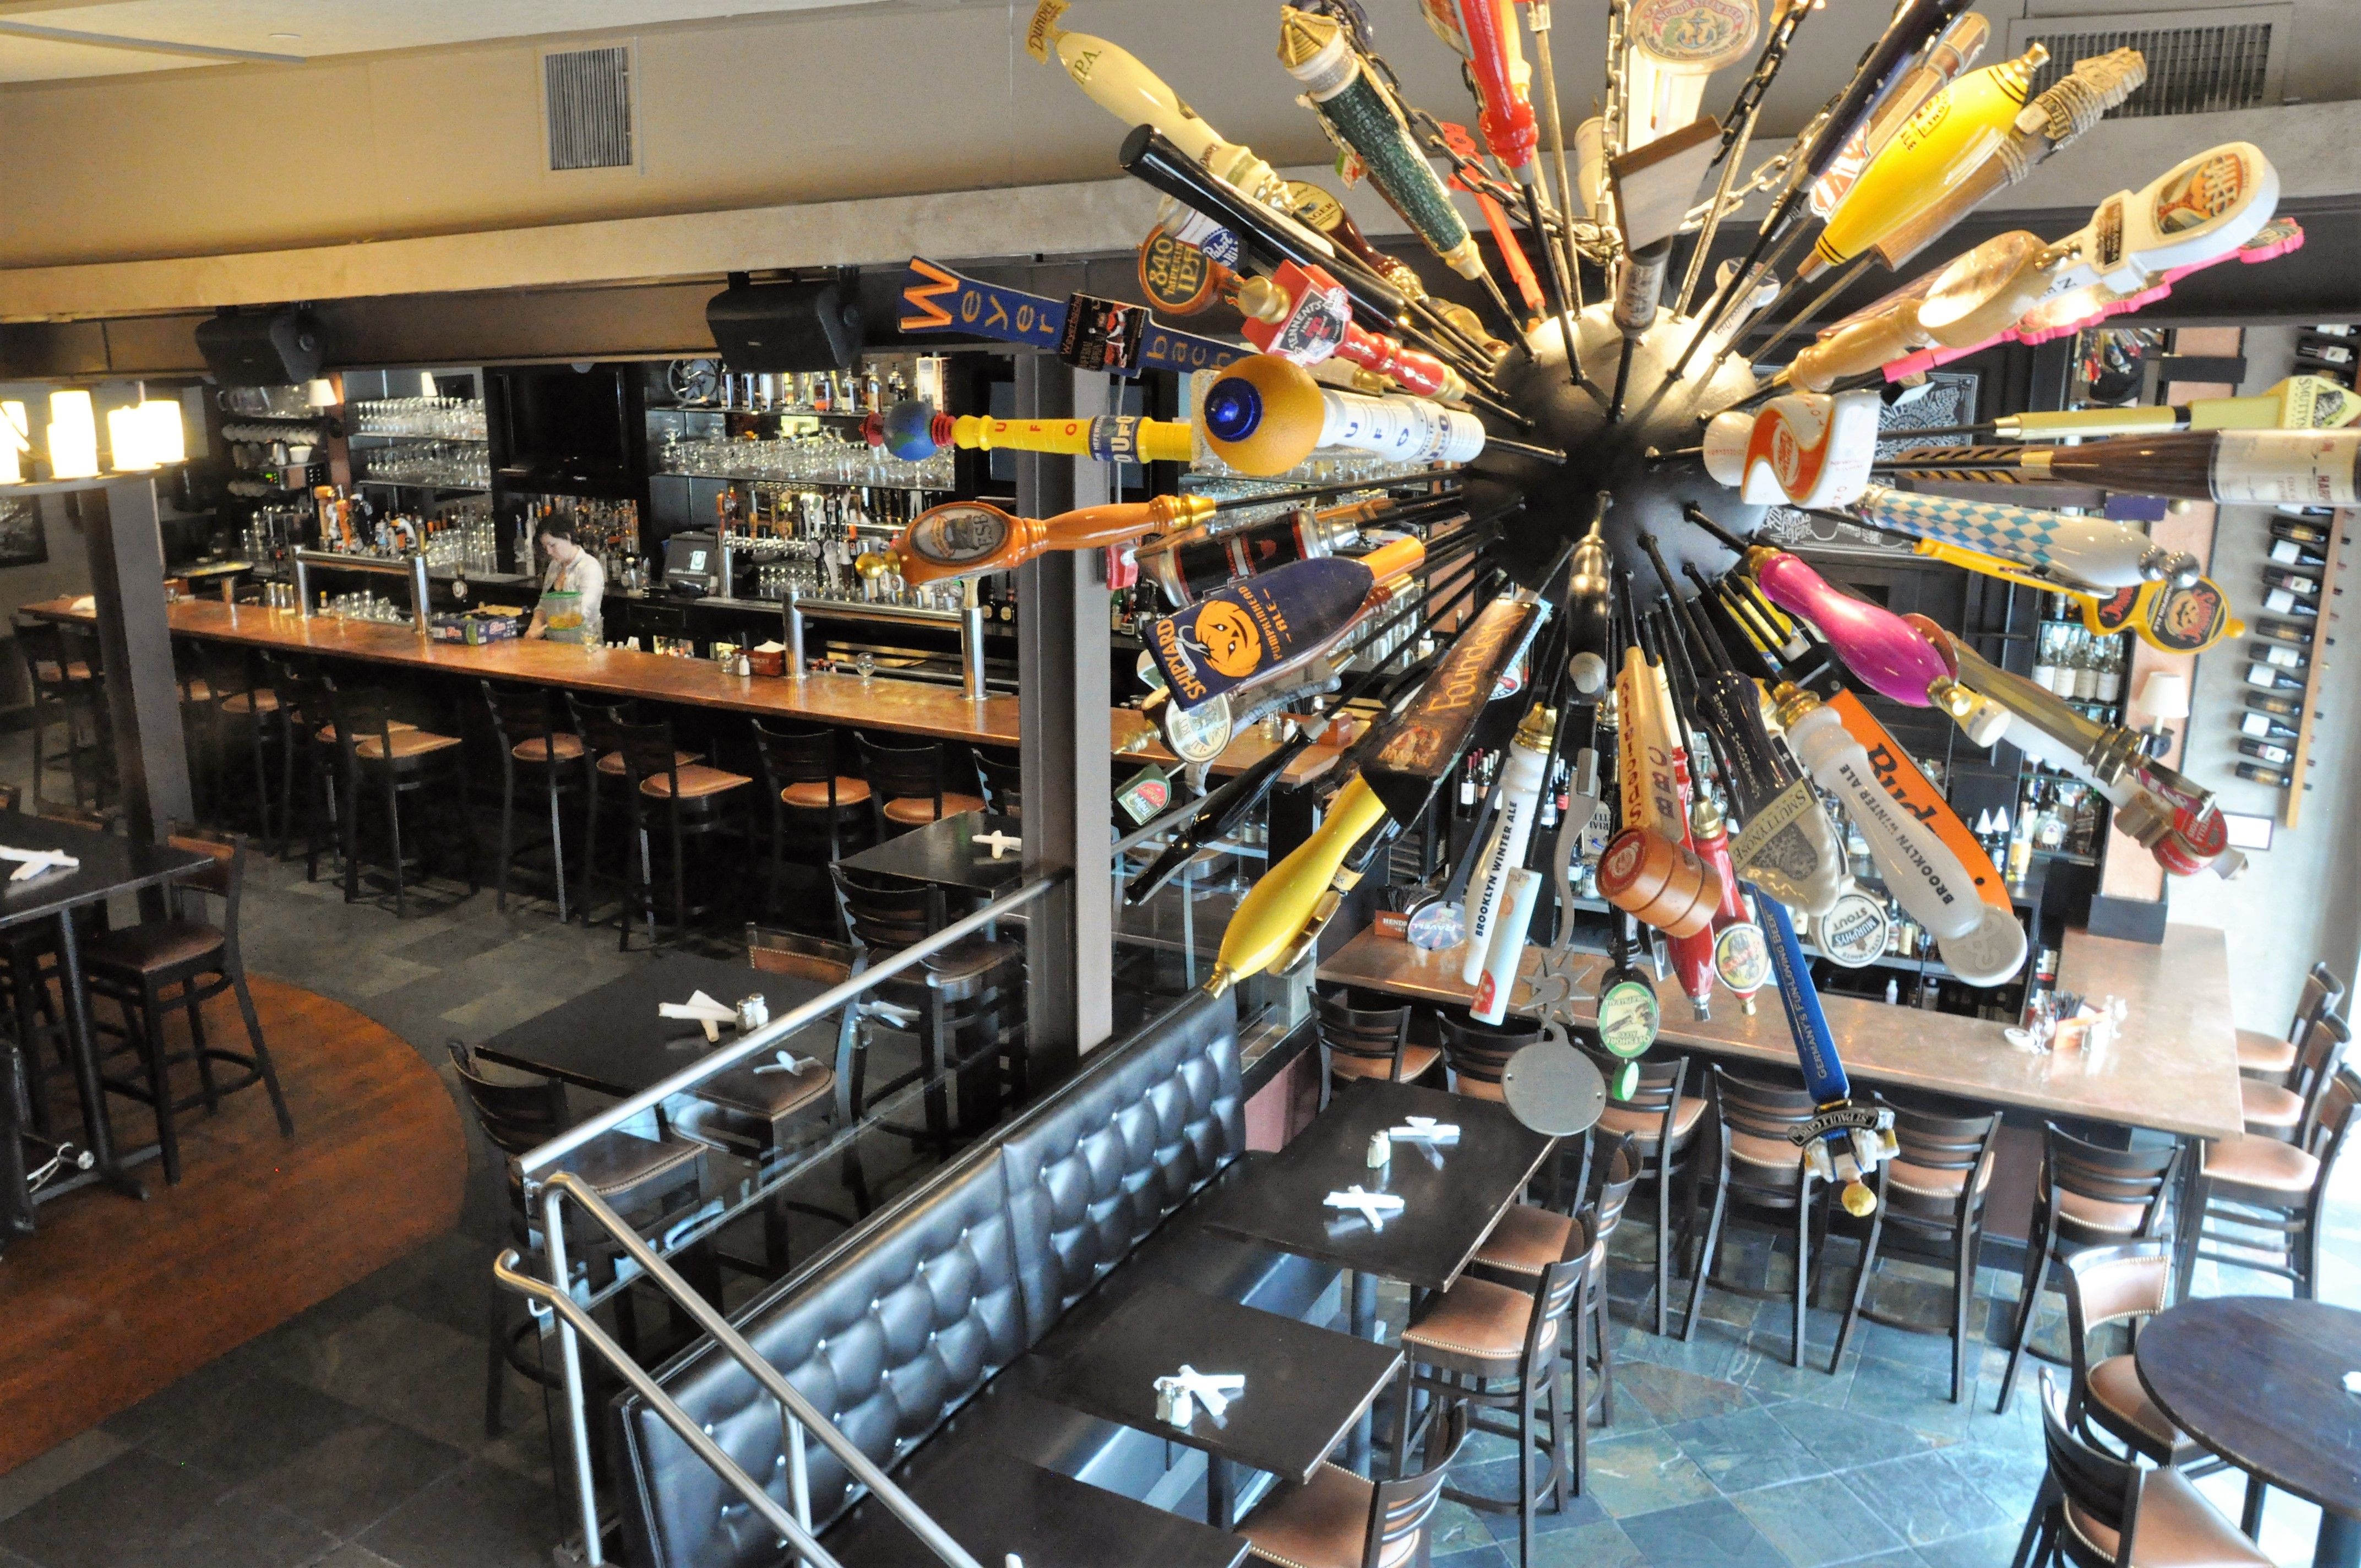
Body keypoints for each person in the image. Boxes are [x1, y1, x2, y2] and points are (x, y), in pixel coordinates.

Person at [524, 511, 606, 645]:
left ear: (568, 537)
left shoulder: (589, 567)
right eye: (545, 547)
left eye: (552, 545)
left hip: (585, 646)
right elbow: (544, 605)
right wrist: (533, 629)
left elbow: (580, 613)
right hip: (556, 645)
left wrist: (542, 631)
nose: (549, 552)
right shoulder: (554, 566)